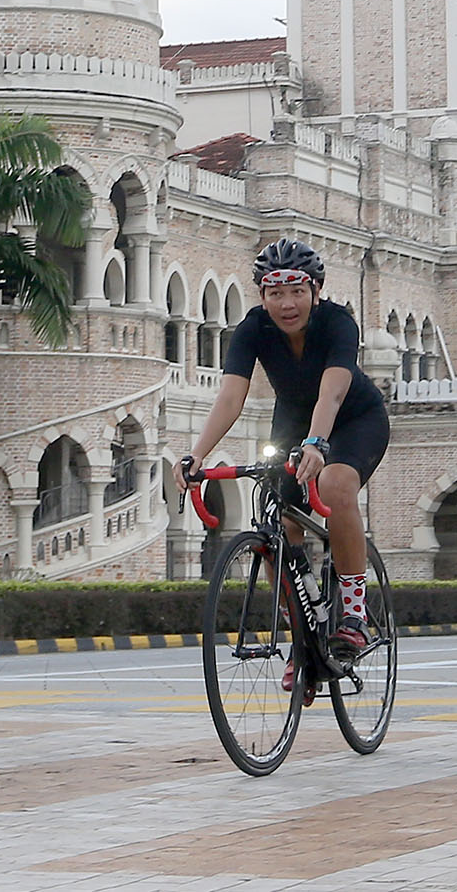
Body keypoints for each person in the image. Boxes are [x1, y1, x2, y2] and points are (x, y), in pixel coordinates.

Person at [180, 237, 391, 668]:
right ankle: (301, 631)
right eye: (276, 292)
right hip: (293, 422)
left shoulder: (338, 324)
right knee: (278, 521)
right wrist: (197, 455)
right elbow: (230, 397)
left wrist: (317, 443)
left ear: (316, 290)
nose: (287, 303)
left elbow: (331, 395)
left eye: (297, 290)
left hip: (354, 420)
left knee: (333, 484)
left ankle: (353, 609)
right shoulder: (253, 328)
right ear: (262, 295)